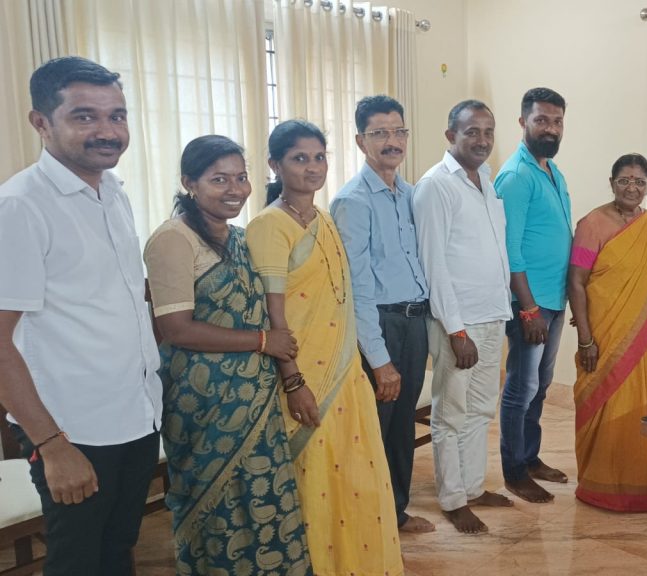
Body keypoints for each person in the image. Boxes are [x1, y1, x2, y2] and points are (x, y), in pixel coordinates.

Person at [0, 56, 162, 576]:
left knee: (117, 550)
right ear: (41, 122)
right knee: (77, 562)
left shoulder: (112, 192)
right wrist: (52, 446)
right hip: (73, 429)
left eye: (117, 115)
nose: (108, 131)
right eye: (85, 116)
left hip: (135, 414)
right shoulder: (21, 206)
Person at [143, 135, 311, 573]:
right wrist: (263, 342)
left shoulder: (240, 238)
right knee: (218, 510)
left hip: (256, 397)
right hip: (203, 403)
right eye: (219, 179)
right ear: (189, 183)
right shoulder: (172, 240)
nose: (235, 189)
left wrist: (289, 374)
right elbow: (176, 329)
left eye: (241, 177)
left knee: (267, 495)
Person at [246, 120, 403, 575]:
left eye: (319, 157)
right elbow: (274, 317)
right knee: (315, 480)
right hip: (305, 379)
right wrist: (294, 382)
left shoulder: (325, 219)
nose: (312, 167)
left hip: (345, 373)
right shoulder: (269, 226)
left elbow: (344, 298)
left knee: (356, 477)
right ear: (275, 165)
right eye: (300, 158)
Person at [331, 95, 435, 533]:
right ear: (361, 141)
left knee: (402, 424)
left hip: (415, 321)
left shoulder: (410, 195)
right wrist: (378, 359)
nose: (392, 141)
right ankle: (368, 521)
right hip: (381, 325)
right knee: (376, 426)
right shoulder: (353, 201)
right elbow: (355, 288)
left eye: (399, 131)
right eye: (380, 133)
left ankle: (395, 512)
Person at [412, 100, 514, 534]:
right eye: (472, 131)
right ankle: (453, 499)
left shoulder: (486, 181)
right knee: (451, 412)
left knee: (481, 409)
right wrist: (456, 331)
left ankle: (473, 487)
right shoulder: (436, 186)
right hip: (459, 323)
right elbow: (433, 265)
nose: (482, 140)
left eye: (488, 131)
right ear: (451, 135)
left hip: (492, 315)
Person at [567, 153, 647, 512]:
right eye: (624, 180)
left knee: (637, 404)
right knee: (604, 402)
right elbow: (576, 282)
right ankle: (600, 484)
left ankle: (640, 481)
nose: (632, 188)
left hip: (641, 336)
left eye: (640, 181)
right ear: (612, 183)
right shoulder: (592, 224)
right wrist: (585, 339)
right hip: (603, 335)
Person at [496, 87, 573, 504]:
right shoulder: (516, 176)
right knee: (521, 387)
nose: (550, 128)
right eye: (541, 120)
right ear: (523, 121)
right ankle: (514, 472)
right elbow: (509, 249)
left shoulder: (552, 171)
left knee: (540, 385)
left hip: (553, 299)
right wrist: (528, 309)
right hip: (530, 303)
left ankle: (530, 457)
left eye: (557, 121)